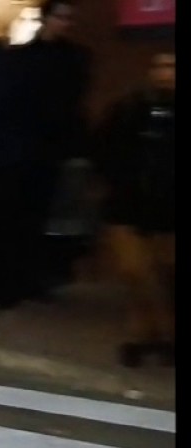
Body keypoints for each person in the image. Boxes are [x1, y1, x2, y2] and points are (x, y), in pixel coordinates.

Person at [94, 52, 176, 367]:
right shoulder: (130, 109)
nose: (165, 73)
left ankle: (164, 335)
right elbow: (104, 148)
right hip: (128, 207)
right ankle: (143, 335)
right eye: (160, 66)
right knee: (135, 272)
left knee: (166, 274)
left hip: (168, 210)